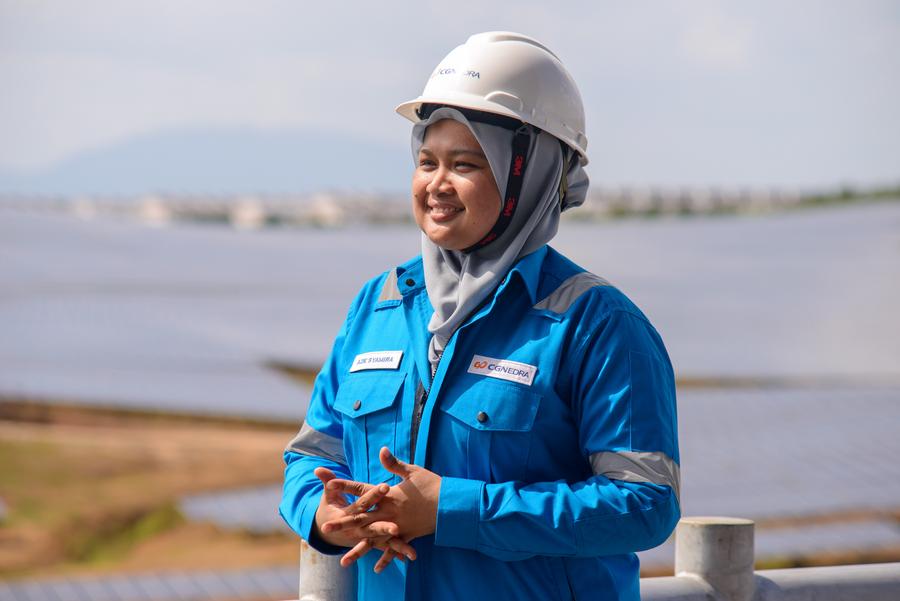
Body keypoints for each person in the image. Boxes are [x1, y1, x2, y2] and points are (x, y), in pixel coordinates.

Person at [280, 31, 680, 601]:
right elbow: (310, 455)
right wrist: (320, 514)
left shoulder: (597, 324)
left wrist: (454, 510)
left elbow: (644, 505)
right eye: (426, 162)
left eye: (464, 164)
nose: (436, 185)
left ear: (531, 176)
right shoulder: (382, 303)